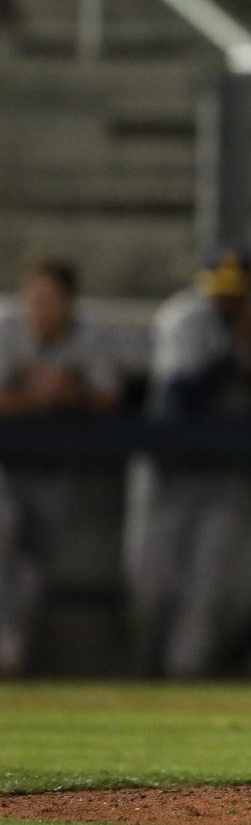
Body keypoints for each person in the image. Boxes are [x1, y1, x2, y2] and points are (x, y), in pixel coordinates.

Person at [127, 251, 251, 677]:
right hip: (171, 468)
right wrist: (236, 355)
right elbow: (182, 399)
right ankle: (135, 670)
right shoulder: (183, 318)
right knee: (148, 580)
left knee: (207, 585)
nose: (228, 304)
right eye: (221, 295)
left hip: (226, 469)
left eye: (237, 296)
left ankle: (185, 674)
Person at [0, 259, 122, 676]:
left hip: (52, 466)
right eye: (35, 298)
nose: (41, 308)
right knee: (2, 528)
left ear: (69, 302)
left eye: (51, 300)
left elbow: (107, 398)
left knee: (35, 564)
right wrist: (39, 399)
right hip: (5, 460)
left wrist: (68, 393)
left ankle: (15, 654)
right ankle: (6, 644)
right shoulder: (4, 326)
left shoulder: (88, 331)